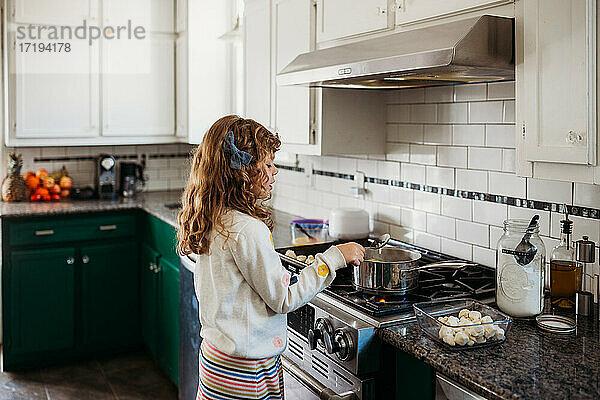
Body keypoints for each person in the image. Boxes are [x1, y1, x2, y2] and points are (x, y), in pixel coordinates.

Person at [177, 115, 365, 400]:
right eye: (267, 165)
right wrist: (333, 258)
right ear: (242, 171)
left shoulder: (213, 217)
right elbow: (283, 299)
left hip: (216, 363)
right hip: (248, 372)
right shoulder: (247, 229)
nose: (275, 171)